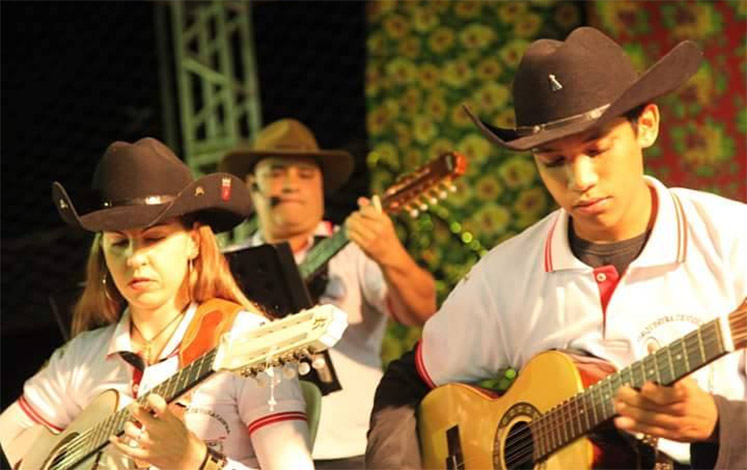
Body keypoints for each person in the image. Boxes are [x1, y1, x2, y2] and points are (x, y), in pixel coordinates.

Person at [366, 26, 746, 470]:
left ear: (647, 126)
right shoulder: (506, 274)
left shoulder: (733, 238)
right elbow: (407, 382)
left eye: (597, 149)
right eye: (554, 162)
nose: (580, 181)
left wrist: (722, 423)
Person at [0, 138, 314, 469]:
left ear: (193, 242)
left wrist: (199, 462)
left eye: (154, 239)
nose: (135, 259)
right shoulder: (81, 356)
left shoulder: (248, 340)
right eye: (119, 243)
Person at [219, 119, 437, 468]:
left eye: (306, 174)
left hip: (358, 445)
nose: (291, 184)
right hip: (261, 451)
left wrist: (390, 253)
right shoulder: (226, 266)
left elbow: (422, 311)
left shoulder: (355, 249)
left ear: (321, 186)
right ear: (252, 184)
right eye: (277, 172)